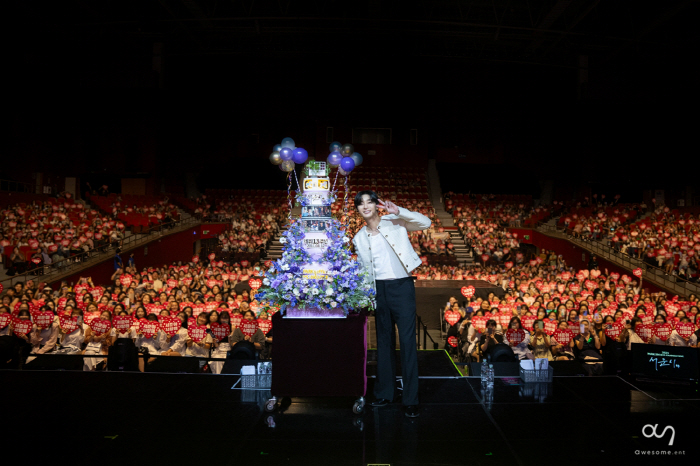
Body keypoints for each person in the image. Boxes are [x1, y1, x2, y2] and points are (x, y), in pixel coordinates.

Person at [352, 190, 431, 418]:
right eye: (361, 204)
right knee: (384, 342)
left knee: (407, 341)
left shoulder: (394, 221)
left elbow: (425, 223)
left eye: (369, 202)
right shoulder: (359, 237)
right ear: (358, 209)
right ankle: (385, 393)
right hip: (379, 290)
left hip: (401, 286)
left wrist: (400, 211)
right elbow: (364, 271)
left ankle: (411, 399)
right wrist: (366, 296)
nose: (366, 206)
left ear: (377, 204)